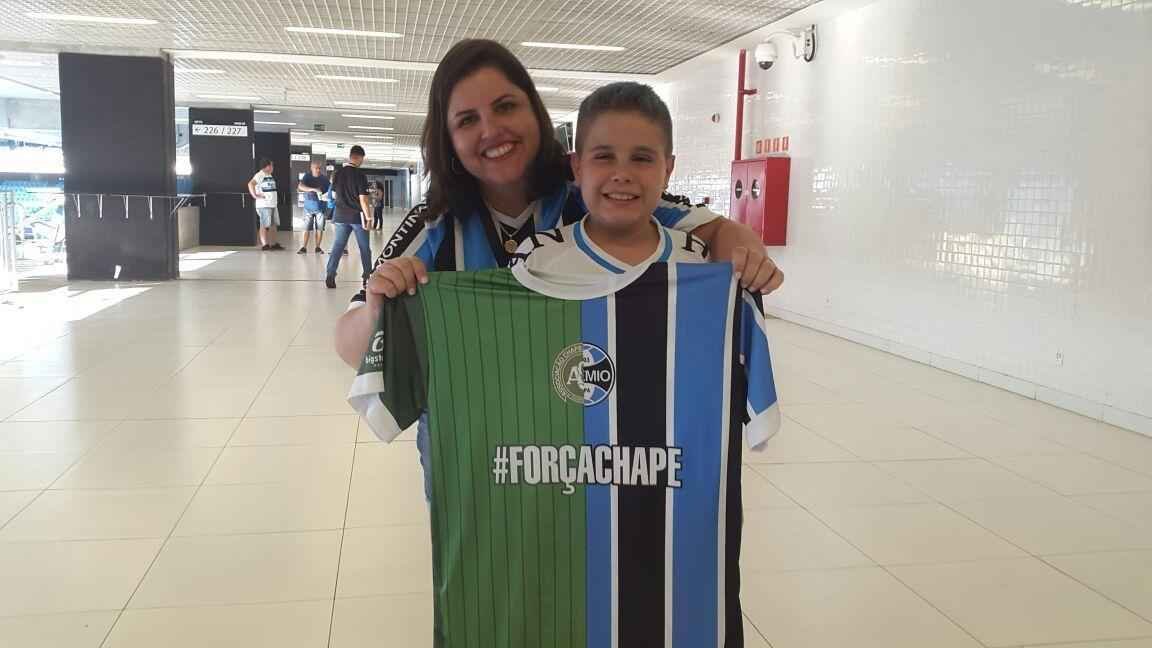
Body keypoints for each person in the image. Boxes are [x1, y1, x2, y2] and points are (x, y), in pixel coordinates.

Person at [335, 38, 783, 367]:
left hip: (578, 444)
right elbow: (350, 345)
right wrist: (378, 306)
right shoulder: (433, 224)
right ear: (448, 140)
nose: (491, 130)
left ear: (535, 112)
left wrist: (746, 262)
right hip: (473, 451)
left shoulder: (595, 195)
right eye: (468, 120)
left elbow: (720, 231)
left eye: (506, 107)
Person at [326, 145, 373, 289]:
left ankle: (330, 274)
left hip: (340, 216)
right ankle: (367, 277)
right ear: (358, 157)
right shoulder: (360, 175)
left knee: (338, 246)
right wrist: (369, 217)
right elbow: (363, 199)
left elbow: (333, 194)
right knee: (364, 248)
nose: (362, 162)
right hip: (357, 217)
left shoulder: (338, 173)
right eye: (362, 159)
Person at [248, 158, 283, 250]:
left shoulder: (269, 175)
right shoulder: (260, 175)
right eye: (272, 165)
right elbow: (250, 184)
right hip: (264, 205)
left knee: (273, 224)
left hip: (272, 204)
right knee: (264, 224)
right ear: (267, 166)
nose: (273, 167)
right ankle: (265, 245)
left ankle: (274, 243)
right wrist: (255, 195)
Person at [297, 160, 329, 254]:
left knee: (319, 228)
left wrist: (326, 196)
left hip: (321, 208)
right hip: (308, 208)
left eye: (319, 168)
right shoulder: (307, 176)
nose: (318, 170)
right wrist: (313, 189)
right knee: (306, 228)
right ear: (311, 168)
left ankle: (318, 247)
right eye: (316, 168)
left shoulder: (324, 179)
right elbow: (300, 186)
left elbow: (329, 191)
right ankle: (303, 247)